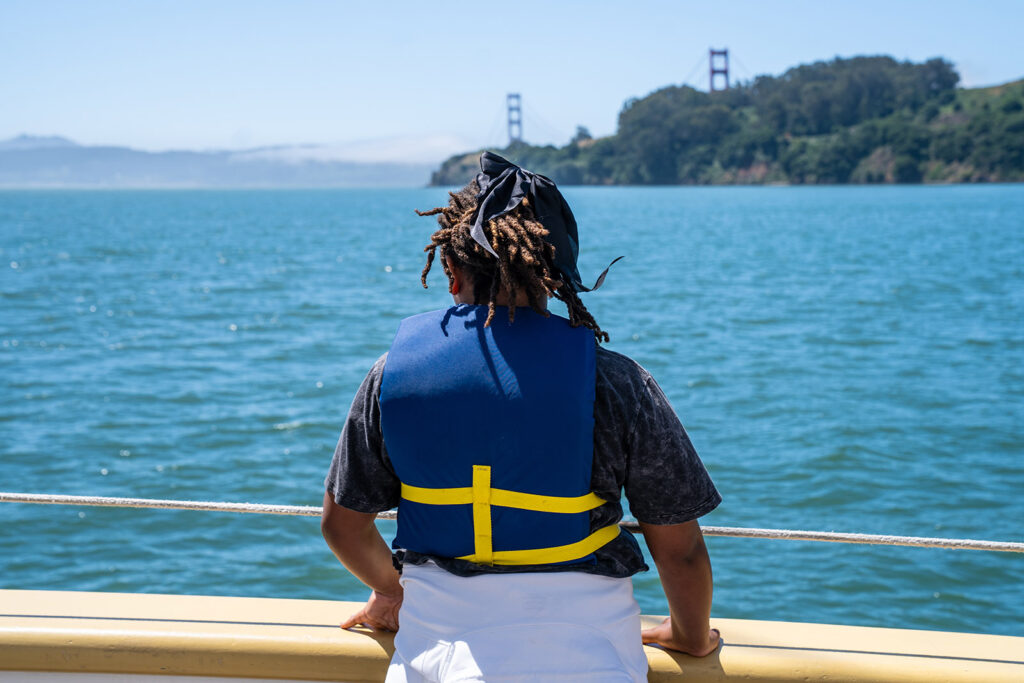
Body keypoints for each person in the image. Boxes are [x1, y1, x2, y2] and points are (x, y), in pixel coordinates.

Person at [322, 152, 721, 682]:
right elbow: (682, 552)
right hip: (593, 663)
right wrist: (689, 637)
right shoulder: (616, 382)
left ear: (450, 272)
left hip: (433, 662)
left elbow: (342, 527)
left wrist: (392, 592)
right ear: (553, 274)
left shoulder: (391, 375)